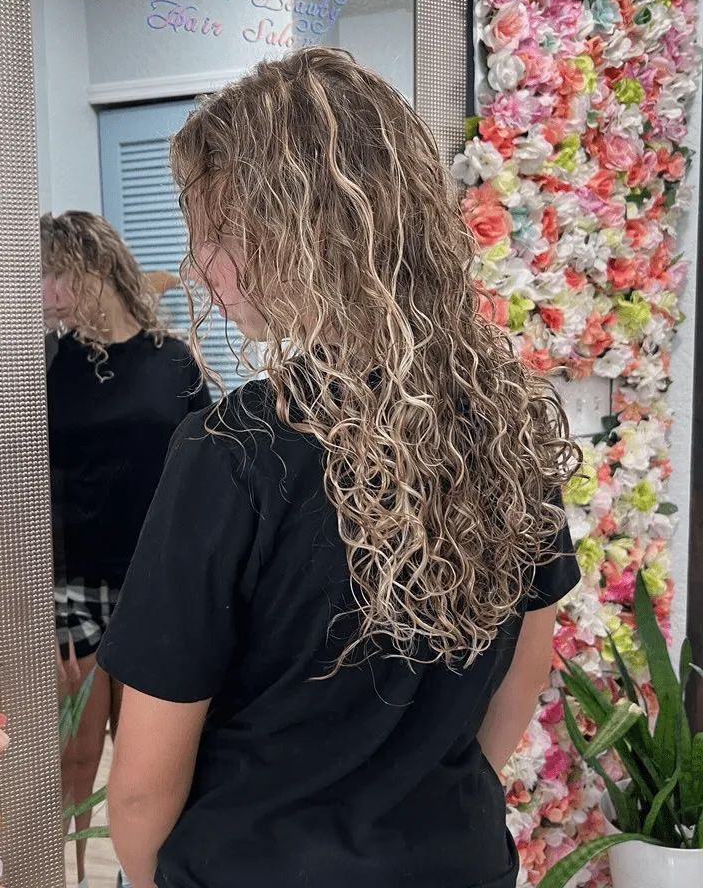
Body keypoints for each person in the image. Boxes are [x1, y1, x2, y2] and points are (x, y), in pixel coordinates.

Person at [97, 47, 581, 888]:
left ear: (303, 237)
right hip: (453, 859)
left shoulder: (234, 451)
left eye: (215, 234)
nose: (197, 266)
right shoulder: (507, 423)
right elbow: (524, 672)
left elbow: (139, 790)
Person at [42, 211, 211, 888]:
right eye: (40, 275)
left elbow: (205, 476)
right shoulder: (45, 361)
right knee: (74, 757)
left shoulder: (172, 359)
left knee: (147, 758)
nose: (46, 291)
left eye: (57, 273)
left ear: (95, 266)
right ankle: (73, 875)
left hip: (154, 583)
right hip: (71, 583)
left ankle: (137, 875)